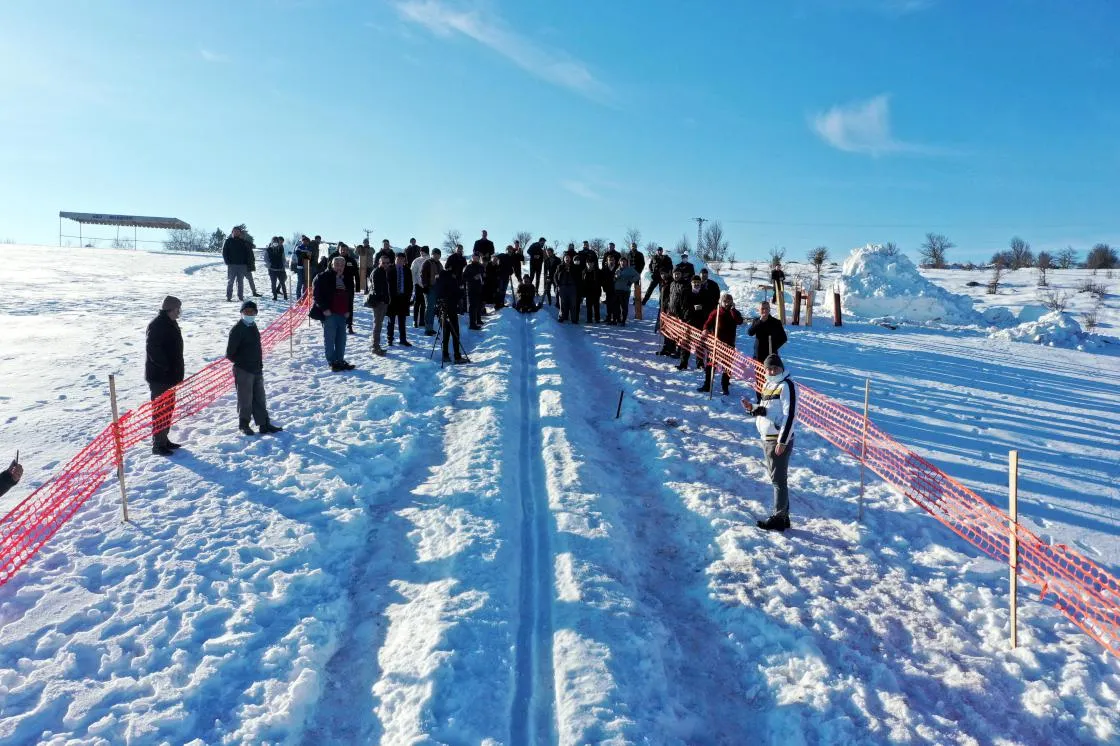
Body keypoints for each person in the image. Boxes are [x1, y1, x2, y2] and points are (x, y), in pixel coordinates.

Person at [742, 354, 796, 531]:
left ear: (781, 367)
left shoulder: (787, 386)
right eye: (769, 368)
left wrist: (782, 441)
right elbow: (768, 411)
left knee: (778, 480)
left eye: (775, 368)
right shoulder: (768, 384)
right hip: (767, 437)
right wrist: (754, 408)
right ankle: (784, 516)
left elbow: (790, 414)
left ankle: (779, 518)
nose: (772, 371)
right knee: (777, 477)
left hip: (777, 439)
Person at [226, 302, 282, 435]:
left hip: (256, 368)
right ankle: (244, 424)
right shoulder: (237, 329)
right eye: (247, 311)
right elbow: (229, 353)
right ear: (242, 312)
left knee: (260, 397)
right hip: (244, 369)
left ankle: (264, 424)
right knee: (245, 398)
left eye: (252, 312)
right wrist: (243, 363)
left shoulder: (253, 326)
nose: (249, 314)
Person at [145, 295, 185, 455]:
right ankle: (158, 445)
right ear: (170, 309)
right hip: (160, 377)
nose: (179, 312)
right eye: (177, 309)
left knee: (168, 409)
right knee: (160, 411)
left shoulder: (170, 322)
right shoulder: (157, 325)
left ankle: (164, 439)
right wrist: (167, 367)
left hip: (170, 376)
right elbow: (153, 350)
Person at [312, 256, 356, 371]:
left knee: (341, 339)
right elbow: (316, 295)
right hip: (329, 314)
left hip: (343, 314)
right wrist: (324, 308)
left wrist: (349, 312)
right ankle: (332, 362)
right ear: (331, 265)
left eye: (342, 265)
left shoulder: (347, 278)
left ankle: (340, 360)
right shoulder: (322, 277)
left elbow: (350, 297)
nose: (339, 267)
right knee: (330, 339)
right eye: (337, 264)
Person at [699, 292, 744, 395]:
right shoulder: (716, 312)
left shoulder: (734, 313)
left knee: (727, 367)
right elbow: (708, 323)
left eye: (729, 301)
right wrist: (705, 329)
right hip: (716, 344)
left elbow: (740, 321)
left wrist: (732, 310)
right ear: (721, 302)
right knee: (711, 365)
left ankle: (725, 386)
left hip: (729, 345)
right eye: (725, 301)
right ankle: (707, 385)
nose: (727, 303)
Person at [434, 269, 470, 363]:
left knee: (445, 332)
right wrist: (461, 291)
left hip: (442, 308)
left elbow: (437, 295)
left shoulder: (439, 280)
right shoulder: (452, 279)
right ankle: (457, 356)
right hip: (451, 308)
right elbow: (457, 294)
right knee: (455, 332)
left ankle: (445, 355)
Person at [675, 275, 707, 370]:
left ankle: (700, 364)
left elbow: (708, 306)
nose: (696, 284)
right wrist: (681, 317)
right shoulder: (685, 292)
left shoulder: (704, 293)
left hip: (700, 322)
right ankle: (683, 363)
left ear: (701, 284)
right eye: (694, 283)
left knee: (700, 344)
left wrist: (702, 308)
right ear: (691, 283)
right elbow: (679, 306)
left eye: (698, 283)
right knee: (685, 343)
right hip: (687, 321)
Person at [328, 243, 361, 333]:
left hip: (349, 286)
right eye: (342, 250)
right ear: (339, 250)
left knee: (349, 305)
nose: (343, 251)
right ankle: (336, 323)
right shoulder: (334, 259)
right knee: (335, 304)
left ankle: (349, 325)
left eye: (345, 250)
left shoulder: (351, 260)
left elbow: (356, 274)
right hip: (336, 285)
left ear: (348, 251)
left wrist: (358, 287)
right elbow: (328, 271)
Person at [747, 300, 788, 366]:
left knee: (770, 375)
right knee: (758, 375)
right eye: (762, 308)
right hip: (758, 354)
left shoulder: (776, 322)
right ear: (759, 310)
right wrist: (760, 322)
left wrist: (774, 346)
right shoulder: (756, 320)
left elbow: (783, 338)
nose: (765, 310)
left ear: (769, 309)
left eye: (767, 308)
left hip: (770, 354)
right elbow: (750, 333)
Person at [367, 253, 393, 355]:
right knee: (377, 325)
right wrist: (383, 299)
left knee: (378, 324)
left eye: (387, 263)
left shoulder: (384, 271)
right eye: (383, 263)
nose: (386, 264)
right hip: (378, 302)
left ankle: (375, 345)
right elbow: (377, 289)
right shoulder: (377, 272)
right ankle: (375, 347)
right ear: (379, 262)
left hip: (383, 301)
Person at [223, 225, 254, 302]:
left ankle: (240, 297)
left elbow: (249, 252)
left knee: (240, 282)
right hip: (232, 265)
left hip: (242, 266)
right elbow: (224, 252)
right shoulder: (228, 241)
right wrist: (227, 262)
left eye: (238, 231)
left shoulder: (244, 242)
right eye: (234, 231)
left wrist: (247, 264)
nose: (236, 233)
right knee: (230, 281)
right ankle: (228, 297)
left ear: (240, 233)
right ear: (232, 232)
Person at [388, 252, 413, 346]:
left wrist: (409, 296)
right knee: (391, 320)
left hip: (403, 298)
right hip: (392, 298)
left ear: (404, 260)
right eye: (398, 259)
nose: (399, 261)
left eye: (402, 259)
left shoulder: (407, 270)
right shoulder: (390, 269)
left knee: (402, 321)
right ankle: (390, 339)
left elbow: (410, 284)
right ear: (395, 259)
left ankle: (403, 339)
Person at [555, 250, 580, 323]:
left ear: (570, 259)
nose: (567, 259)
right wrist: (557, 285)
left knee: (573, 304)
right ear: (563, 258)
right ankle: (561, 317)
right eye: (566, 257)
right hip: (562, 287)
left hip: (572, 287)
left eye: (568, 257)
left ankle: (574, 319)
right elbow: (555, 277)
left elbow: (578, 278)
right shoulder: (559, 267)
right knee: (562, 303)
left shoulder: (574, 267)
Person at [422, 249, 443, 335]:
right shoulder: (427, 263)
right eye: (435, 254)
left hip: (437, 288)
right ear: (432, 254)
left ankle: (431, 327)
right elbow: (423, 275)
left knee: (434, 309)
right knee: (430, 308)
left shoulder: (440, 264)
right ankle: (428, 329)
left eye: (438, 254)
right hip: (430, 288)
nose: (437, 256)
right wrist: (425, 286)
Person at [614, 256, 640, 325]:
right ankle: (618, 319)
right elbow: (613, 279)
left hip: (625, 291)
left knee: (624, 306)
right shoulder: (617, 269)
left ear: (626, 262)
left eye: (624, 261)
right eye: (621, 261)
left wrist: (631, 281)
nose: (623, 263)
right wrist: (615, 277)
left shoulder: (630, 270)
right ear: (619, 262)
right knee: (616, 306)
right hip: (617, 290)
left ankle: (623, 320)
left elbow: (638, 276)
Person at [463, 252, 486, 330]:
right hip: (471, 289)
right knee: (473, 306)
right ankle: (472, 324)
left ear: (479, 258)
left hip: (480, 288)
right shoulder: (468, 267)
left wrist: (483, 279)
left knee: (479, 305)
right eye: (474, 257)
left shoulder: (481, 266)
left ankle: (478, 320)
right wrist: (473, 277)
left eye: (477, 257)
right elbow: (464, 277)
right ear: (472, 258)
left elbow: (484, 276)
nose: (476, 258)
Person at [411, 246, 430, 328]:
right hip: (418, 285)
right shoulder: (417, 260)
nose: (422, 253)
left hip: (427, 285)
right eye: (421, 251)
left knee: (424, 303)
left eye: (423, 251)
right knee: (417, 303)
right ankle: (415, 320)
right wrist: (415, 283)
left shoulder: (430, 260)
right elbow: (413, 272)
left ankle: (422, 320)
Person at [581, 257, 602, 323]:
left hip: (596, 291)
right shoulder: (584, 271)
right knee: (589, 306)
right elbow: (582, 282)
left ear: (593, 263)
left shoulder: (597, 271)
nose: (589, 264)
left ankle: (597, 319)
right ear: (586, 263)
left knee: (596, 306)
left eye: (591, 263)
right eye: (588, 263)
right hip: (588, 292)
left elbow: (601, 281)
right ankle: (589, 319)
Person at [602, 257, 621, 324]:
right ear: (607, 260)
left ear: (615, 261)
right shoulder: (605, 268)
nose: (611, 261)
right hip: (608, 289)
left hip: (616, 289)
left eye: (612, 260)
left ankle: (616, 319)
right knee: (608, 304)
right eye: (610, 260)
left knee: (616, 304)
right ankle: (609, 317)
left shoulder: (618, 268)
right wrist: (604, 287)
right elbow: (603, 279)